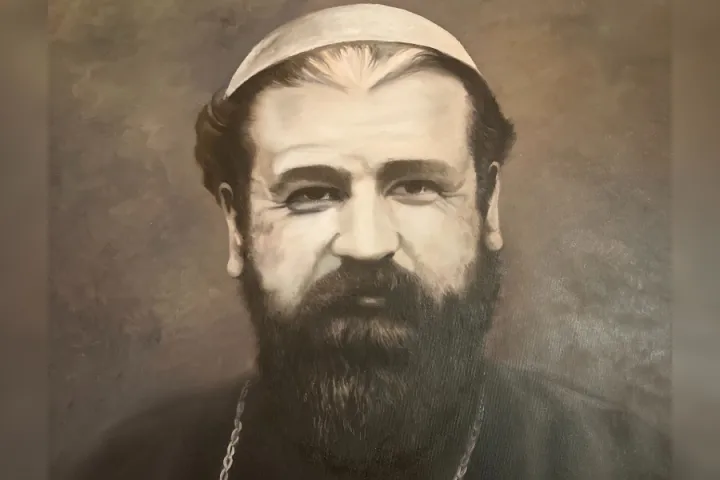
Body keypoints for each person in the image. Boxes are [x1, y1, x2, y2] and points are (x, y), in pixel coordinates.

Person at [69, 4, 669, 480]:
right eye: (311, 193)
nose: (366, 244)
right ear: (237, 226)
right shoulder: (131, 466)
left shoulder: (628, 465)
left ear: (487, 207)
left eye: (416, 186)